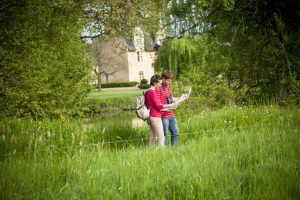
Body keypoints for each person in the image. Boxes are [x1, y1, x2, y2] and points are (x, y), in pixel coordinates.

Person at [145, 74, 175, 147]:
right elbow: (158, 106)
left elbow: (155, 106)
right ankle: (162, 154)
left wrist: (168, 108)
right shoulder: (152, 93)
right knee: (161, 138)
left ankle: (150, 153)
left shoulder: (148, 92)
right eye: (159, 84)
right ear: (154, 83)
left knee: (153, 137)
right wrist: (170, 105)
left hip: (151, 116)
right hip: (155, 117)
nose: (160, 86)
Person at [157, 70, 179, 146]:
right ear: (163, 79)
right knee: (165, 135)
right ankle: (166, 151)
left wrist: (180, 98)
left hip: (171, 114)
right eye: (168, 81)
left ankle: (174, 150)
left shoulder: (169, 87)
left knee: (175, 132)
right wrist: (167, 107)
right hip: (163, 116)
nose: (170, 82)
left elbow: (171, 98)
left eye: (170, 81)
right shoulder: (159, 89)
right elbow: (158, 104)